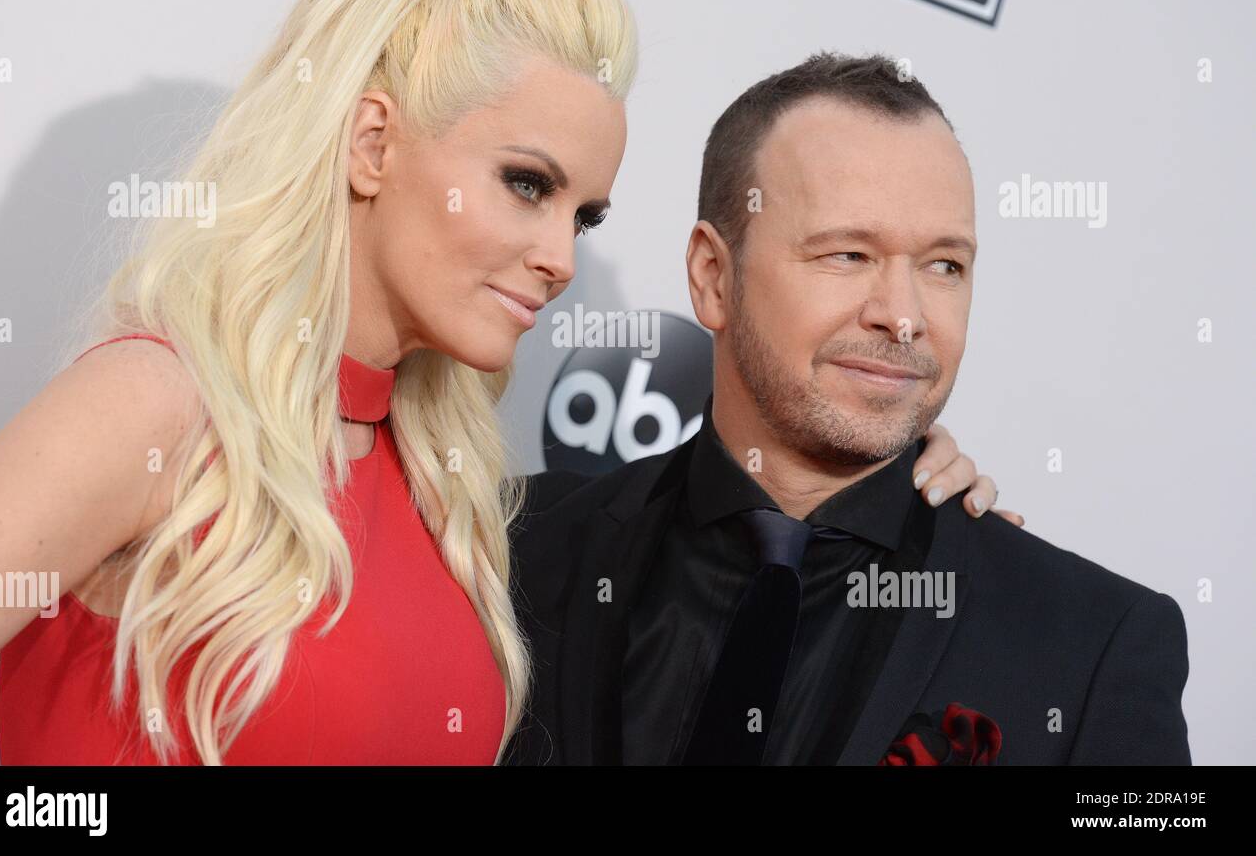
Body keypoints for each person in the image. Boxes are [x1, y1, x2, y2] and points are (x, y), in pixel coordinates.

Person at [0, 0, 1005, 765]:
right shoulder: (157, 405)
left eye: (584, 216)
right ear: (373, 143)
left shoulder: (452, 492)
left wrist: (897, 481)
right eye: (527, 185)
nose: (558, 255)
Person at [503, 52, 1190, 766]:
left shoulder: (1092, 641)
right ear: (713, 276)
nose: (902, 316)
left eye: (944, 265)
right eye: (849, 255)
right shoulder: (514, 544)